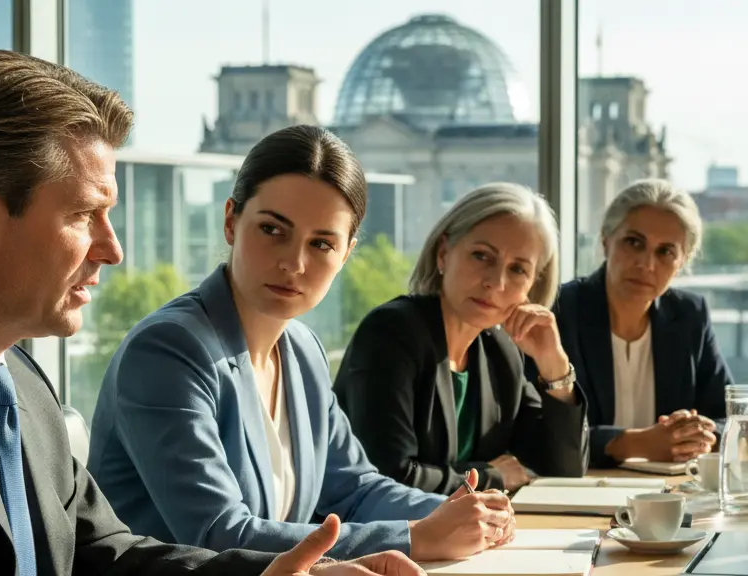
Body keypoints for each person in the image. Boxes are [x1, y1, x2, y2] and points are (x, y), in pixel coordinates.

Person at [0, 50, 425, 576]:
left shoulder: (16, 381)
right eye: (87, 215)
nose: (113, 250)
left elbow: (102, 554)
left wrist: (274, 572)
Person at [88, 125, 517, 564]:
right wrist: (416, 536)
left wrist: (462, 513)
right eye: (273, 230)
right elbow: (218, 534)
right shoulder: (168, 350)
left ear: (346, 253)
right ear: (231, 221)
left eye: (321, 244)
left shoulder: (302, 349)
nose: (293, 263)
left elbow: (354, 489)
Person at [333, 183, 590, 496]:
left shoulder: (500, 350)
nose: (495, 282)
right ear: (444, 254)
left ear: (532, 286)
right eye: (482, 256)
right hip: (372, 539)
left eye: (518, 269)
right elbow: (388, 476)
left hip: (458, 537)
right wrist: (489, 476)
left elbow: (563, 469)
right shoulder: (391, 333)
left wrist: (554, 367)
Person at [546, 179, 731, 468]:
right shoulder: (559, 311)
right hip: (579, 488)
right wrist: (636, 442)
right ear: (606, 240)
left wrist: (699, 435)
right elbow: (538, 432)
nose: (646, 264)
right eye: (634, 243)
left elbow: (726, 418)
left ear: (681, 262)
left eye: (665, 252)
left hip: (667, 494)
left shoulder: (689, 315)